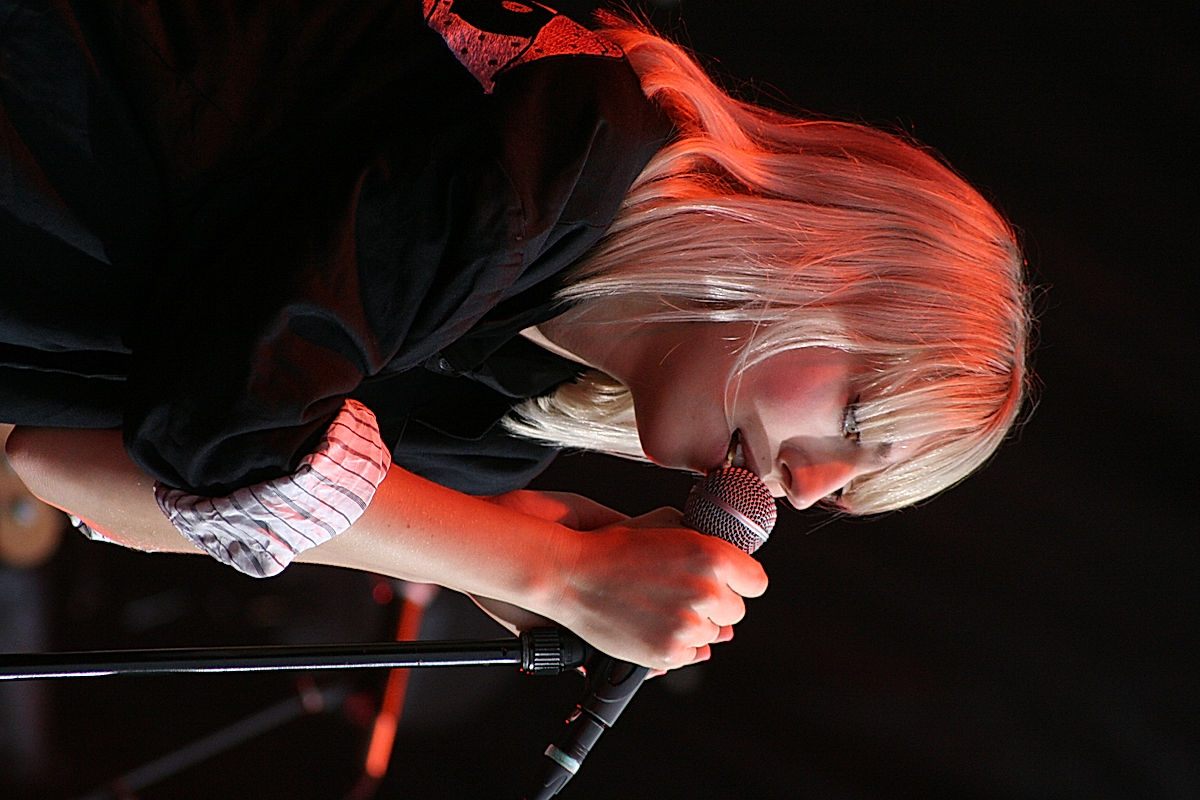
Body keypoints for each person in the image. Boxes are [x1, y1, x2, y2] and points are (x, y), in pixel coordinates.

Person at [1, 1, 1031, 672]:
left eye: (841, 491)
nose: (804, 487)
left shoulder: (501, 426)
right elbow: (224, 424)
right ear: (819, 259)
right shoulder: (572, 139)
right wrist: (549, 569)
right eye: (853, 417)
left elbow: (70, 461)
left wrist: (486, 554)